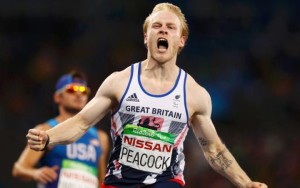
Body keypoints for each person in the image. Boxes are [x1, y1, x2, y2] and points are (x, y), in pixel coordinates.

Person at [26, 3, 268, 188]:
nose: (163, 30)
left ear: (181, 40)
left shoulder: (195, 94)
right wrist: (49, 138)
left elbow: (213, 150)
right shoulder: (119, 82)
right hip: (119, 181)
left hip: (166, 182)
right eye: (156, 26)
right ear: (146, 37)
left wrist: (245, 182)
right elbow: (80, 123)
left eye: (170, 27)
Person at [13, 71, 110, 188]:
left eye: (84, 91)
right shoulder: (45, 131)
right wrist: (35, 173)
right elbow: (18, 169)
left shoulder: (100, 137)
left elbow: (101, 180)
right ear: (57, 97)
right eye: (71, 90)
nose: (79, 94)